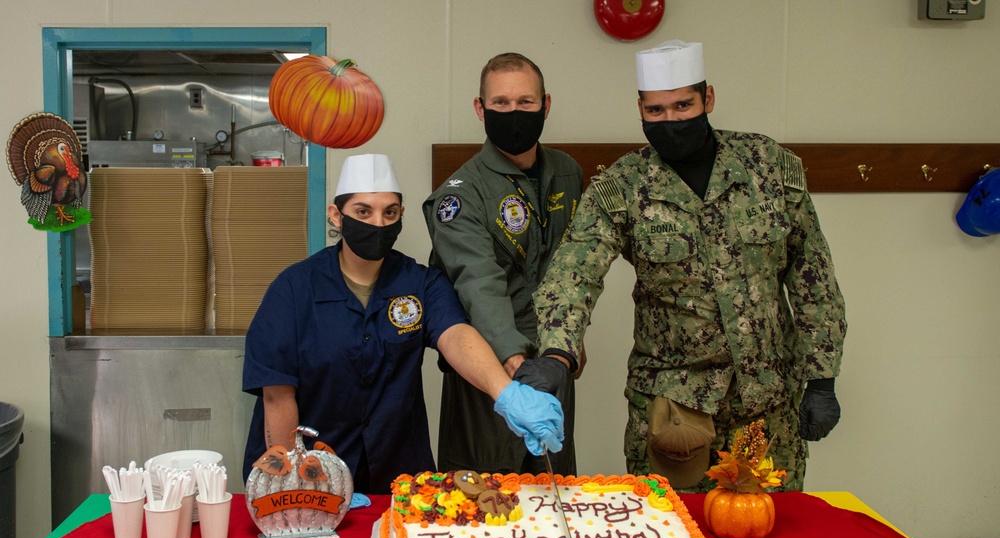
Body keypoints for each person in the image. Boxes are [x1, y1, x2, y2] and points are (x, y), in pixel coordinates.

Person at [522, 40, 847, 492]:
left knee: (765, 534)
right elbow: (574, 273)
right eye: (656, 111)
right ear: (639, 109)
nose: (671, 120)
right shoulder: (623, 185)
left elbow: (813, 277)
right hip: (673, 405)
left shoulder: (768, 167)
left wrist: (822, 377)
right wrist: (558, 351)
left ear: (707, 99)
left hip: (766, 400)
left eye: (683, 105)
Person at [242, 154, 564, 493]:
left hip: (400, 478)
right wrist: (292, 480)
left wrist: (507, 393)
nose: (378, 223)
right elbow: (277, 395)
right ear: (337, 216)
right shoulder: (293, 289)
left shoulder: (421, 283)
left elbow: (456, 335)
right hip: (313, 475)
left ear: (401, 216)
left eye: (389, 212)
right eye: (363, 212)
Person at [423, 53, 584, 476]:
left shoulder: (567, 172)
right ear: (481, 109)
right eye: (501, 103)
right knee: (486, 500)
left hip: (551, 361)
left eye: (526, 102)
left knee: (554, 486)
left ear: (546, 105)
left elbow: (573, 266)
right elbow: (479, 283)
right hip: (489, 365)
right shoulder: (459, 195)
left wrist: (565, 347)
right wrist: (515, 365)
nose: (514, 112)